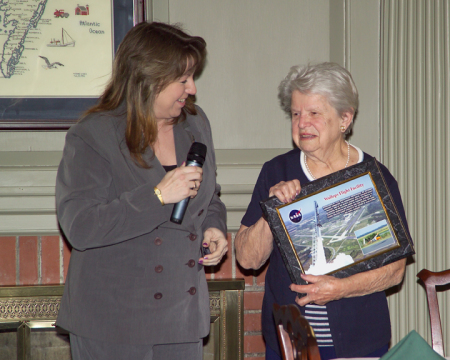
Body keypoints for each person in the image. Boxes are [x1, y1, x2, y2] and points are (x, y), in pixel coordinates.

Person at [55, 22, 228, 360]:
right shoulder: (94, 135)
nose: (191, 89)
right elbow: (81, 227)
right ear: (148, 80)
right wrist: (158, 197)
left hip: (182, 320)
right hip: (115, 324)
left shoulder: (196, 124)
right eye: (182, 79)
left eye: (192, 77)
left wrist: (214, 226)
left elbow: (210, 196)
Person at [235, 62, 411, 360]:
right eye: (295, 113)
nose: (302, 123)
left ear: (345, 118)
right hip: (289, 345)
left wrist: (339, 289)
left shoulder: (373, 178)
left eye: (314, 113)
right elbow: (247, 259)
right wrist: (272, 211)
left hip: (360, 345)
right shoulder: (277, 171)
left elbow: (394, 271)